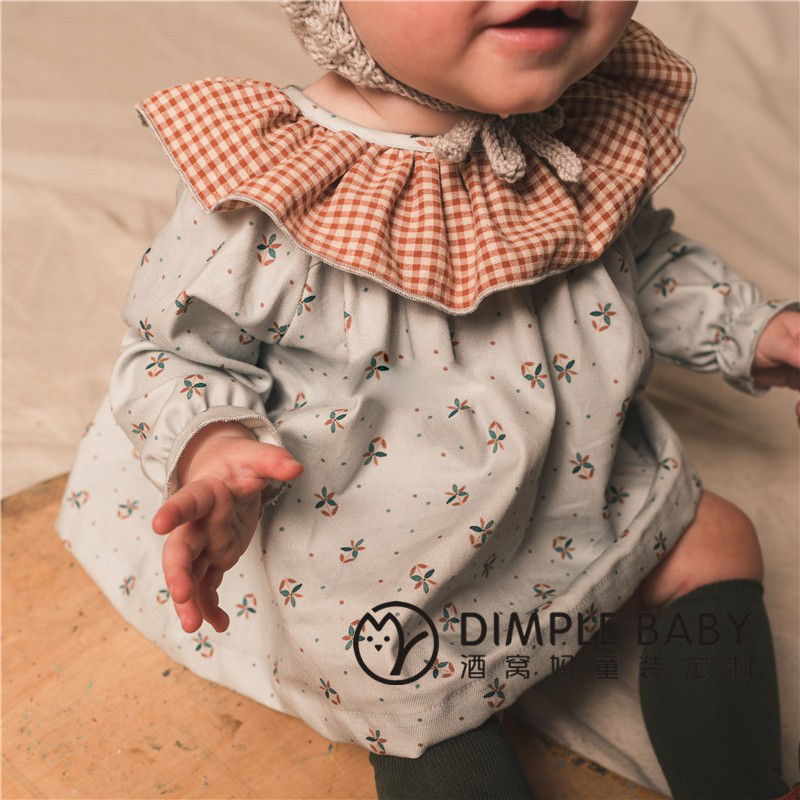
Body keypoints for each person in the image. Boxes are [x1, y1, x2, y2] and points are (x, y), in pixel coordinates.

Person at [55, 2, 800, 798]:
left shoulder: (580, 126)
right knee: (408, 695)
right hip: (378, 557)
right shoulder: (282, 186)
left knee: (713, 538)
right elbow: (174, 355)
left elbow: (639, 260)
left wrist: (754, 329)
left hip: (577, 483)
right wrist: (215, 448)